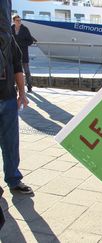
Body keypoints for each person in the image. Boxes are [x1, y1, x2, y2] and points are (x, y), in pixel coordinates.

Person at [0, 0, 33, 194]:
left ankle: (13, 179)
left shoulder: (8, 38)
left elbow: (17, 66)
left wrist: (22, 93)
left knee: (11, 143)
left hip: (8, 98)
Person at [11, 14, 35, 93]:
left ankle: (29, 87)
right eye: (17, 20)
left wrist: (21, 45)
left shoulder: (25, 29)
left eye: (20, 20)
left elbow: (30, 41)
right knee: (15, 72)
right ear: (13, 21)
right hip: (14, 54)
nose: (19, 22)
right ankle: (17, 88)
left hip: (24, 53)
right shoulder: (10, 29)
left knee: (26, 71)